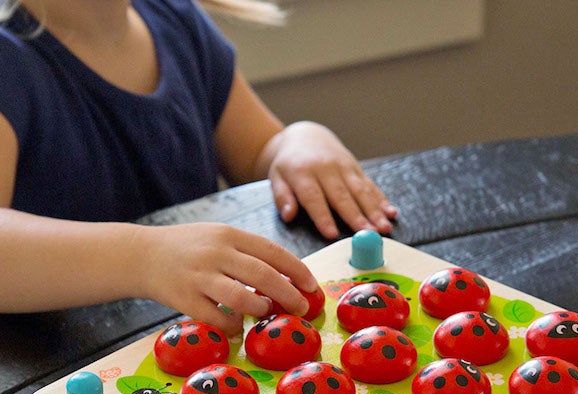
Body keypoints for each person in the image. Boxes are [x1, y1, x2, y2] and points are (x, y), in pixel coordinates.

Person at [0, 0, 398, 335]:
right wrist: (144, 258)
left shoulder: (175, 17)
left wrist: (299, 142)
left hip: (201, 349)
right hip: (50, 377)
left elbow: (258, 153)